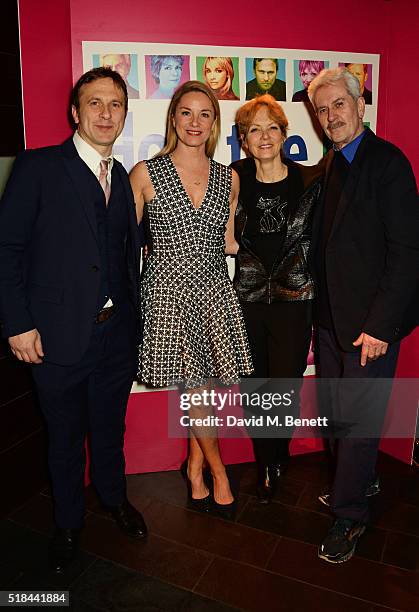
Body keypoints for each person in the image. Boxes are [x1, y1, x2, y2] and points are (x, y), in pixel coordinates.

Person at [0, 67, 147, 573]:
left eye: (116, 105)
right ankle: (67, 523)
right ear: (75, 112)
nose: (106, 113)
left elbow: (126, 257)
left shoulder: (124, 179)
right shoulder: (39, 168)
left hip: (117, 337)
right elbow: (8, 249)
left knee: (110, 429)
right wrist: (17, 323)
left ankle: (114, 499)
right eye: (96, 103)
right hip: (55, 338)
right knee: (64, 438)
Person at [307, 67, 418, 563]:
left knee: (357, 421)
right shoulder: (333, 163)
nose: (331, 115)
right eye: (323, 108)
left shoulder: (388, 162)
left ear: (360, 106)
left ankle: (350, 516)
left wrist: (381, 325)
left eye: (339, 105)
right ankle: (362, 478)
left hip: (371, 326)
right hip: (332, 322)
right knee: (334, 414)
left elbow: (409, 251)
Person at [129, 80, 253, 518]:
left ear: (215, 122)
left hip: (213, 292)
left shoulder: (229, 178)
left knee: (199, 387)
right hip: (166, 296)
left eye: (205, 114)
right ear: (173, 118)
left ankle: (195, 466)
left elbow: (230, 242)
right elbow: (123, 245)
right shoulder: (146, 173)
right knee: (198, 388)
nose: (195, 122)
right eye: (186, 112)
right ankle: (218, 471)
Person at [232, 94, 323, 503]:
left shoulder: (309, 182)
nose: (264, 136)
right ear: (244, 140)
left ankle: (276, 454)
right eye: (255, 129)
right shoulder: (232, 179)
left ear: (285, 135)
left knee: (283, 387)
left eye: (272, 128)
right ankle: (267, 460)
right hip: (247, 298)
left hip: (294, 298)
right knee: (254, 387)